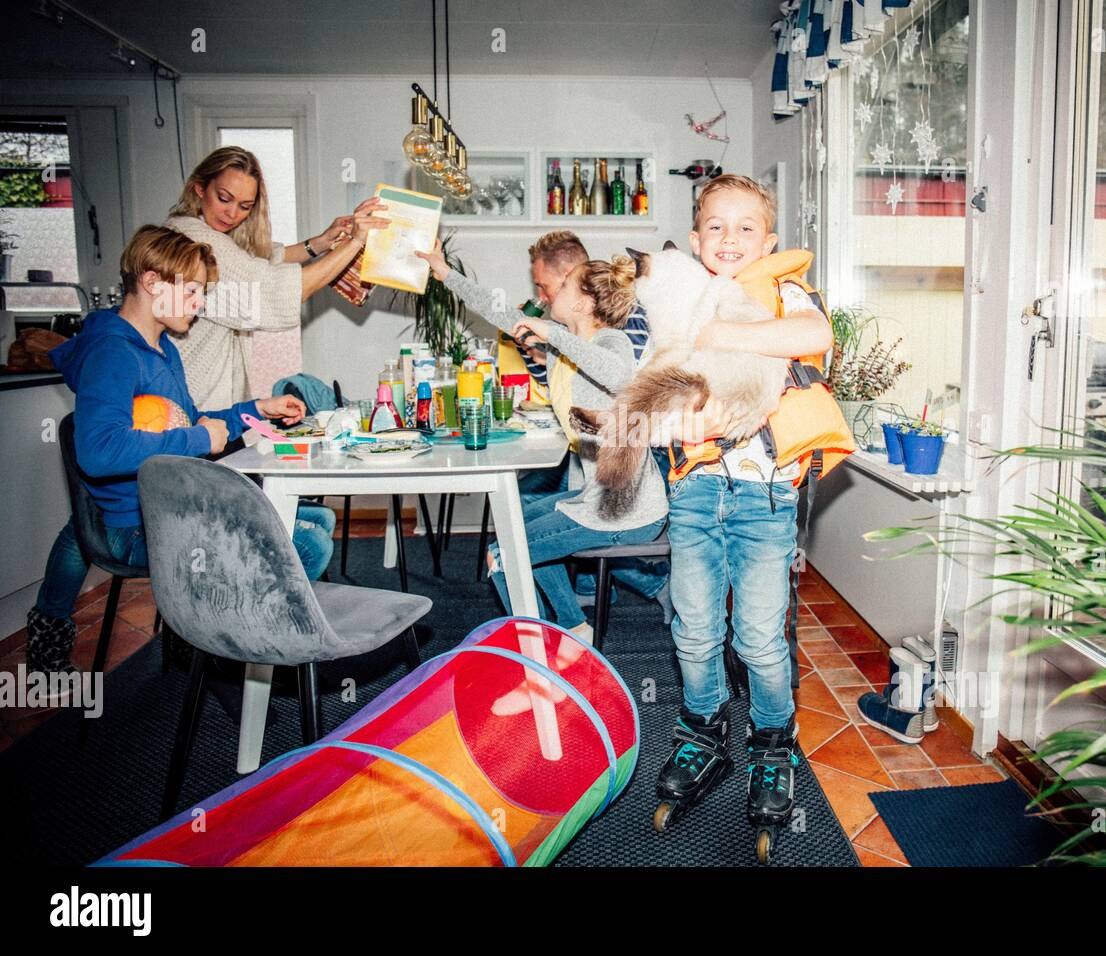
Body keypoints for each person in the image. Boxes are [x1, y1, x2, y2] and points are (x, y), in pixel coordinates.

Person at [24, 225, 328, 680]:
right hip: (140, 527)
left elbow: (189, 421)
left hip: (165, 509)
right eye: (192, 291)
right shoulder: (114, 353)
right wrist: (198, 441)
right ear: (151, 282)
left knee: (316, 520)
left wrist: (256, 408)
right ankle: (233, 647)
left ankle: (208, 641)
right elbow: (99, 452)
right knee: (307, 539)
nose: (200, 302)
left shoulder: (161, 348)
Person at [653, 175, 833, 849]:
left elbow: (814, 333)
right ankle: (703, 730)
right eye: (716, 228)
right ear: (697, 240)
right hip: (696, 494)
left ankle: (772, 741)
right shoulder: (678, 298)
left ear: (770, 241)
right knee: (694, 629)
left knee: (758, 638)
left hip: (763, 500)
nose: (730, 240)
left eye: (746, 227)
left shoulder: (782, 292)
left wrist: (719, 333)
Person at [418, 241, 667, 683]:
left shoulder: (610, 341)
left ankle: (532, 662)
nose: (550, 296)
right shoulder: (562, 348)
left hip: (625, 508)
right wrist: (444, 272)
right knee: (513, 518)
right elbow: (499, 310)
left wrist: (554, 335)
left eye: (562, 287)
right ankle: (574, 629)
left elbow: (617, 375)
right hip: (599, 496)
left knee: (504, 554)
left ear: (587, 301)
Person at [514, 230, 670, 617]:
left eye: (547, 285)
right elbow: (567, 387)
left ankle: (578, 611)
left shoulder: (615, 333)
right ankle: (590, 595)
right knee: (521, 514)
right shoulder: (567, 332)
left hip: (643, 462)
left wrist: (552, 336)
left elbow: (617, 375)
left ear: (576, 287)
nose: (542, 296)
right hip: (592, 464)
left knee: (528, 518)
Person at [163, 146, 388, 409]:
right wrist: (355, 242)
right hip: (194, 403)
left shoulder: (200, 232)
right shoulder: (195, 239)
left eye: (245, 206)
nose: (232, 214)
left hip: (207, 403)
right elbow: (275, 287)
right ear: (199, 188)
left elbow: (260, 259)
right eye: (224, 198)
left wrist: (318, 244)